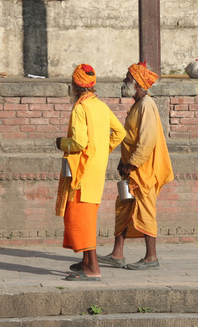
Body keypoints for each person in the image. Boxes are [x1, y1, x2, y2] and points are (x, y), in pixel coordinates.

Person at [98, 61, 174, 271]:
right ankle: (117, 254)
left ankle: (151, 257)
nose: (124, 82)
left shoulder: (147, 106)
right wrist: (123, 162)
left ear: (138, 83)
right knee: (124, 208)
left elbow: (147, 141)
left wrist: (131, 164)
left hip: (143, 171)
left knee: (145, 210)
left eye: (128, 78)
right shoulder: (137, 105)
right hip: (130, 170)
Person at [55, 64, 126, 281]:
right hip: (95, 170)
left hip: (82, 173)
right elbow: (120, 132)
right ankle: (86, 261)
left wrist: (61, 143)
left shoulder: (80, 108)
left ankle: (93, 269)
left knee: (81, 218)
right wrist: (101, 151)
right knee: (86, 215)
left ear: (75, 87)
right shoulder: (101, 106)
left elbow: (78, 142)